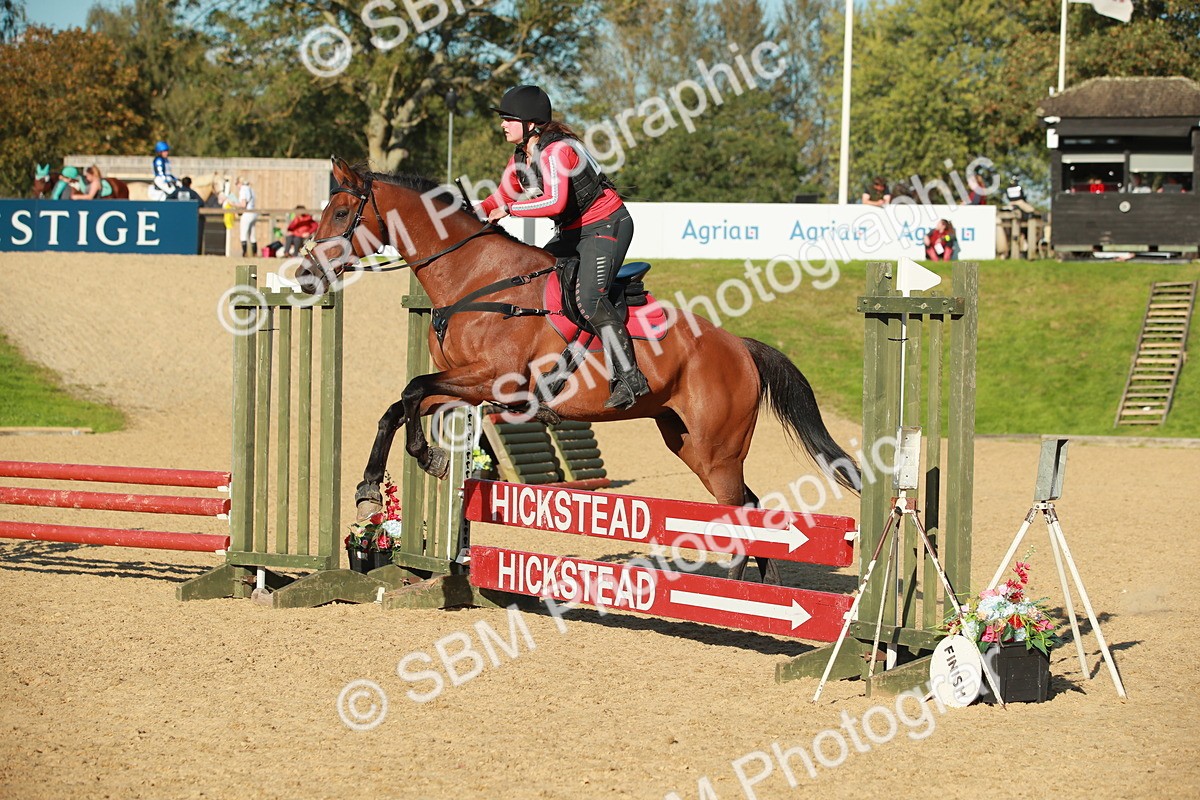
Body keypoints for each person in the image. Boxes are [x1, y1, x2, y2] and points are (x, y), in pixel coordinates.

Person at [477, 84, 649, 410]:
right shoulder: (522, 158)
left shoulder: (558, 151)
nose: (502, 124)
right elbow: (497, 199)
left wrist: (511, 211)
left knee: (589, 298)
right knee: (534, 280)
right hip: (573, 231)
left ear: (530, 123)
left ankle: (630, 376)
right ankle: (551, 368)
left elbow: (555, 203)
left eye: (508, 118)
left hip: (606, 226)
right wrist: (466, 217)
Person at [230, 175, 258, 257]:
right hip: (253, 212)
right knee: (252, 235)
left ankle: (244, 253)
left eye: (236, 183)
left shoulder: (243, 190)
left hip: (247, 213)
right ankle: (255, 253)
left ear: (240, 183)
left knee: (243, 234)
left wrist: (233, 203)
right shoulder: (251, 189)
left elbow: (243, 204)